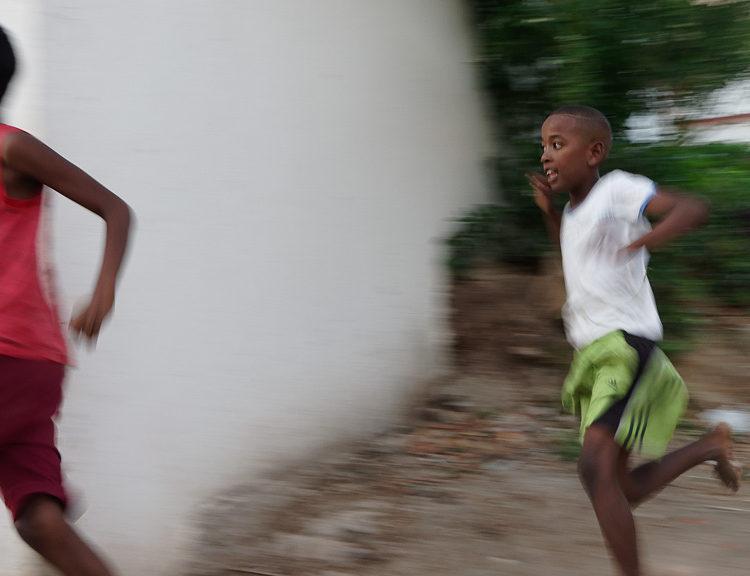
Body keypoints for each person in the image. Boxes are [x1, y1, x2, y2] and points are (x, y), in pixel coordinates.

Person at [527, 104, 740, 576]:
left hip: (623, 346)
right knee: (621, 488)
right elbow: (576, 251)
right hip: (594, 355)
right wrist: (549, 214)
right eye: (543, 145)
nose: (546, 155)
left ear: (595, 151)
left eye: (557, 144)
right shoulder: (573, 210)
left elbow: (691, 208)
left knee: (593, 469)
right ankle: (709, 446)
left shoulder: (617, 189)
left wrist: (640, 242)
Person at [0, 26, 131, 576]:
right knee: (39, 520)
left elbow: (114, 208)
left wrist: (103, 293)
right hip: (33, 364)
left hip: (9, 354)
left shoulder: (11, 147)